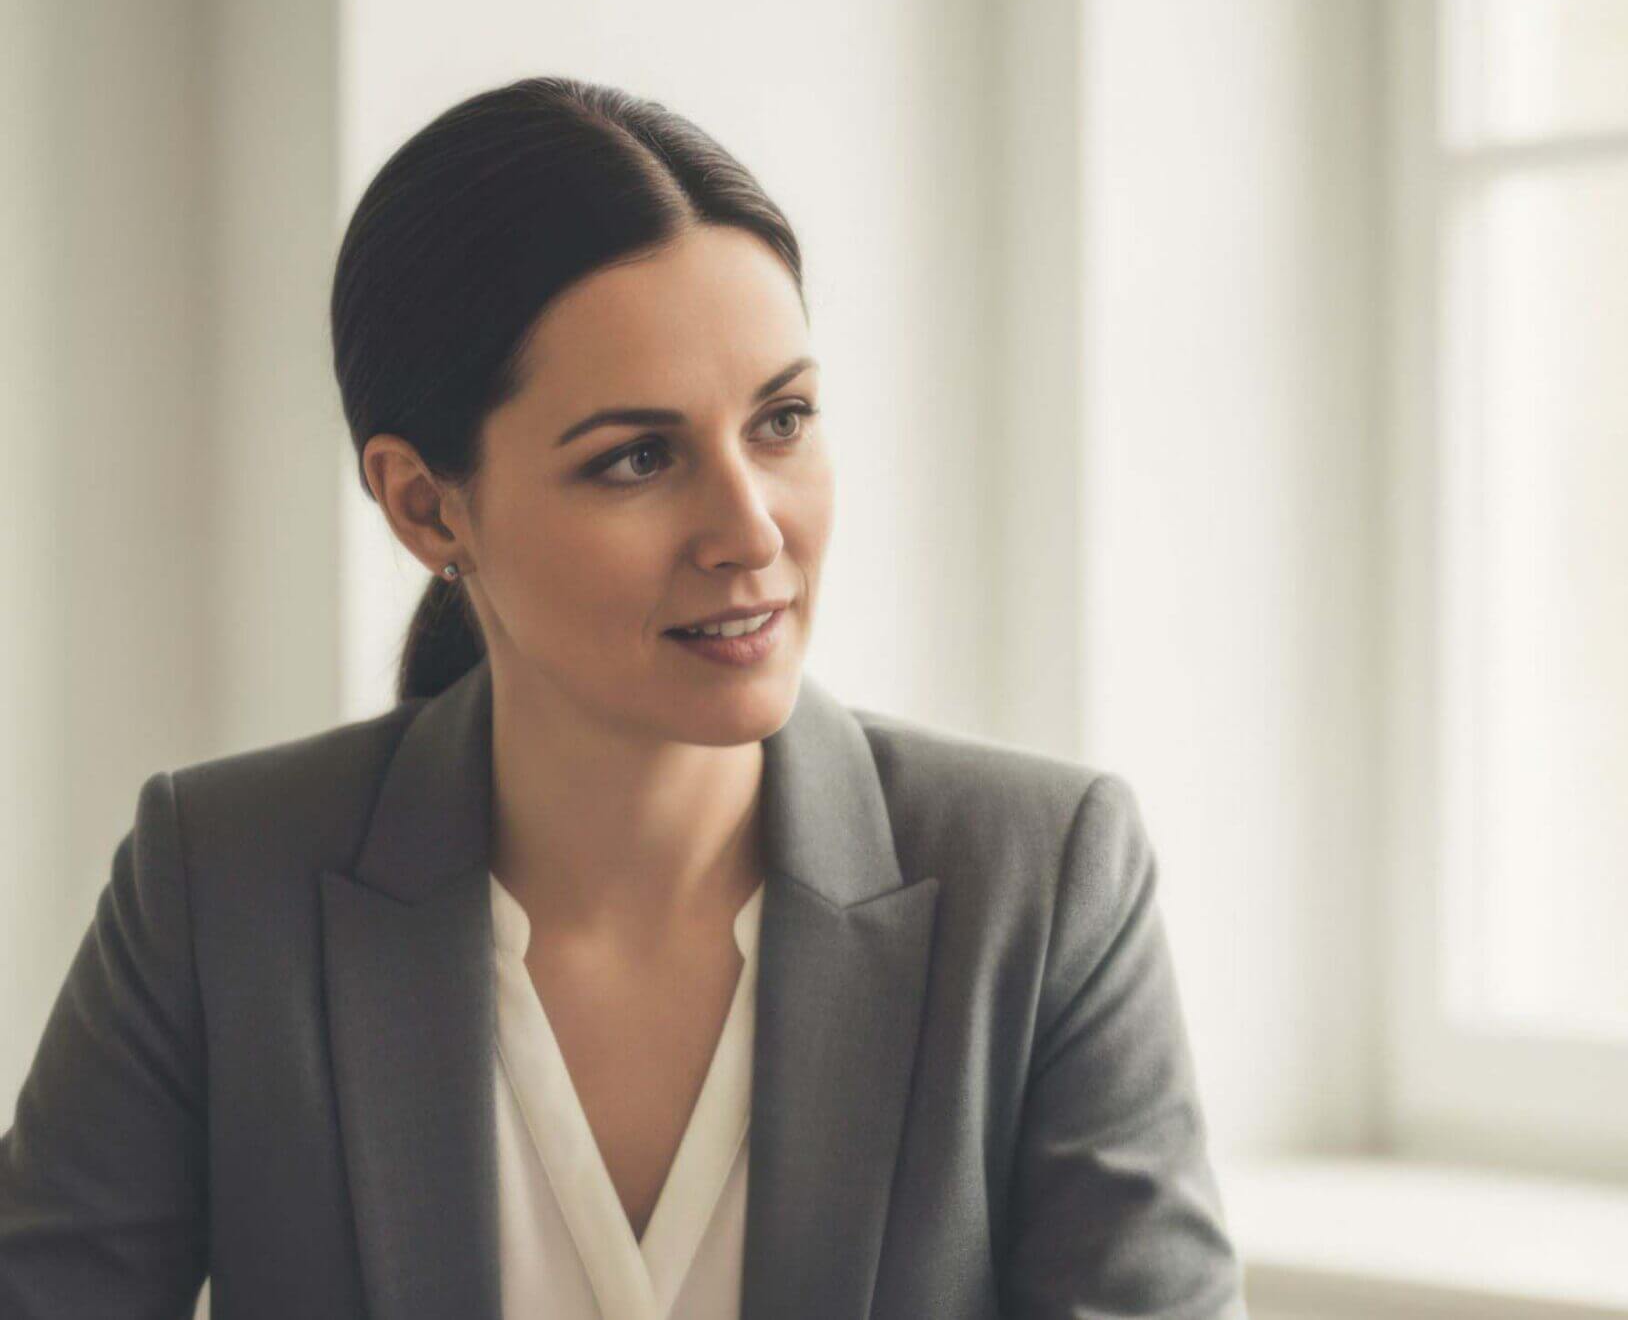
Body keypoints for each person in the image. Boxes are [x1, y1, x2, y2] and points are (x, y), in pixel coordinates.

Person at [0, 76, 1243, 1320]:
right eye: (636, 458)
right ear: (428, 505)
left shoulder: (1041, 885)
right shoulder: (219, 886)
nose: (750, 530)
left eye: (783, 420)